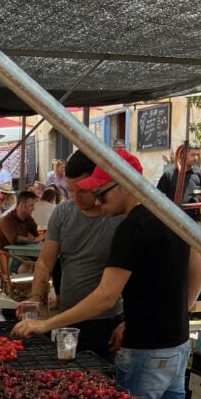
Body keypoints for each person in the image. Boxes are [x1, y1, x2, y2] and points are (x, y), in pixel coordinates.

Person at [14, 150, 201, 399]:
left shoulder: (130, 227)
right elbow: (198, 272)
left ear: (125, 185)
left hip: (143, 350)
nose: (98, 201)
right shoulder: (172, 213)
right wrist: (176, 317)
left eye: (100, 193)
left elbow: (106, 296)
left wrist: (46, 323)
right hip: (177, 346)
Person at [24, 150, 125, 361]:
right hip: (67, 318)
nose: (75, 197)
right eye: (70, 191)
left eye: (82, 191)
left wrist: (129, 321)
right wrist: (35, 298)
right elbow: (44, 261)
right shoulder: (63, 212)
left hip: (106, 321)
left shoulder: (120, 218)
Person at [157, 144, 201, 222]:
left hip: (194, 221)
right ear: (182, 155)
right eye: (192, 155)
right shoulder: (169, 174)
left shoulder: (200, 173)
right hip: (172, 220)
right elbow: (158, 196)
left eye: (197, 155)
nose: (196, 158)